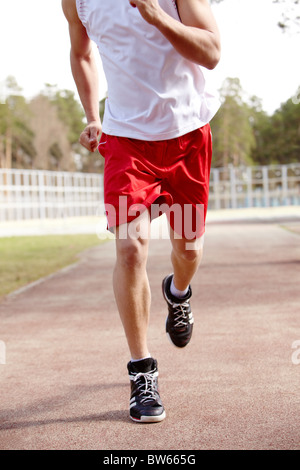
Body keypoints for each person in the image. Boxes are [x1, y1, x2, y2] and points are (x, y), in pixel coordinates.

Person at [62, 0, 221, 423]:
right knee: (130, 249)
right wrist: (92, 115)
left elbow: (211, 51)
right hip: (126, 143)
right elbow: (81, 52)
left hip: (187, 137)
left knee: (188, 250)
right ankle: (142, 371)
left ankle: (178, 292)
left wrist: (156, 15)